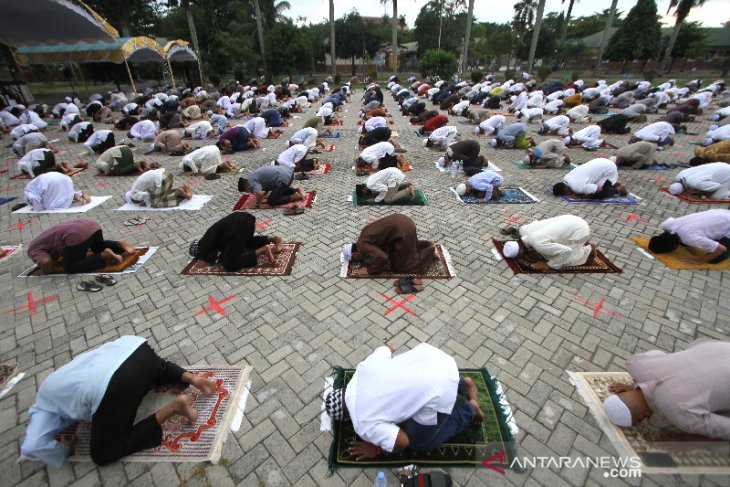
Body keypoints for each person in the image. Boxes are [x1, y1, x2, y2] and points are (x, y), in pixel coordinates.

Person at [21, 335, 218, 467]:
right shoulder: (54, 381)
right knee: (158, 368)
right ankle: (192, 378)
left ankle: (173, 408)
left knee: (103, 454)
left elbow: (32, 446)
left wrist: (65, 448)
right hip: (134, 348)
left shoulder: (43, 408)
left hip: (115, 383)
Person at [324, 343, 484, 459]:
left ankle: (469, 410)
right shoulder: (362, 369)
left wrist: (376, 450)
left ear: (346, 417)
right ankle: (463, 383)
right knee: (417, 376)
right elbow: (387, 348)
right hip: (434, 357)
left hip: (438, 391)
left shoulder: (362, 424)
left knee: (418, 443)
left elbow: (402, 442)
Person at [603, 339, 730, 440]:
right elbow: (659, 355)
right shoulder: (636, 364)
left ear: (644, 419)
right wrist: (638, 386)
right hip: (719, 347)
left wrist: (687, 439)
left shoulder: (682, 416)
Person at [26, 219, 134, 274]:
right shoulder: (42, 240)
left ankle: (103, 256)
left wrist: (44, 271)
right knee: (98, 247)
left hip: (75, 235)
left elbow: (45, 262)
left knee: (70, 267)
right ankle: (119, 245)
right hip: (91, 225)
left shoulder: (33, 250)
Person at [341, 214, 436, 275]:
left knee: (400, 267)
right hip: (404, 221)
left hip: (403, 230)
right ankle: (427, 243)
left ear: (355, 254)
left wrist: (369, 270)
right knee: (405, 248)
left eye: (355, 259)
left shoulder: (364, 246)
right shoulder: (362, 235)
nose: (359, 260)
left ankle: (430, 251)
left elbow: (383, 258)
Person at [190, 213, 283, 271]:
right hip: (246, 219)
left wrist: (207, 260)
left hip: (237, 230)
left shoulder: (203, 249)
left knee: (229, 264)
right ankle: (272, 239)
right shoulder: (206, 238)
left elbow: (218, 258)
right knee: (246, 242)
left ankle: (262, 250)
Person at [501, 215, 596, 269]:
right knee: (553, 246)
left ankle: (588, 249)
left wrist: (548, 264)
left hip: (580, 230)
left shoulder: (539, 245)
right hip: (571, 219)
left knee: (565, 260)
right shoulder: (523, 230)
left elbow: (567, 251)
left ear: (521, 251)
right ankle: (579, 242)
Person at [647, 209, 730, 264]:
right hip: (722, 212)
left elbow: (721, 249)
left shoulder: (690, 238)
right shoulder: (667, 225)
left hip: (727, 222)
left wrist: (699, 261)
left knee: (714, 259)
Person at [552, 158, 627, 199]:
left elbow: (599, 189)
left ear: (566, 191)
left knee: (599, 195)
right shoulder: (566, 177)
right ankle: (613, 182)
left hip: (608, 168)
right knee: (590, 188)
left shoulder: (578, 188)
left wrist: (584, 197)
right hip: (600, 161)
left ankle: (619, 188)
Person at [239, 165, 304, 208]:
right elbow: (267, 184)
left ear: (246, 187)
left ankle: (294, 197)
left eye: (247, 191)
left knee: (271, 201)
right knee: (278, 191)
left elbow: (259, 193)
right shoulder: (252, 176)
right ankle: (295, 190)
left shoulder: (251, 182)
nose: (249, 192)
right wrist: (265, 194)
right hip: (287, 172)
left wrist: (257, 204)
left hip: (284, 177)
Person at [125, 168, 193, 208]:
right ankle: (184, 188)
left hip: (161, 179)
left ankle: (178, 193)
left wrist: (146, 203)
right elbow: (152, 193)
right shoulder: (138, 184)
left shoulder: (134, 194)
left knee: (155, 204)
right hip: (167, 174)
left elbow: (147, 196)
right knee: (162, 195)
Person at [23, 172, 89, 211]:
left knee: (53, 204)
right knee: (64, 194)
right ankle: (78, 194)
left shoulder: (28, 192)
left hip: (50, 182)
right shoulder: (32, 185)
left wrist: (37, 209)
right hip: (62, 177)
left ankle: (75, 195)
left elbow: (34, 199)